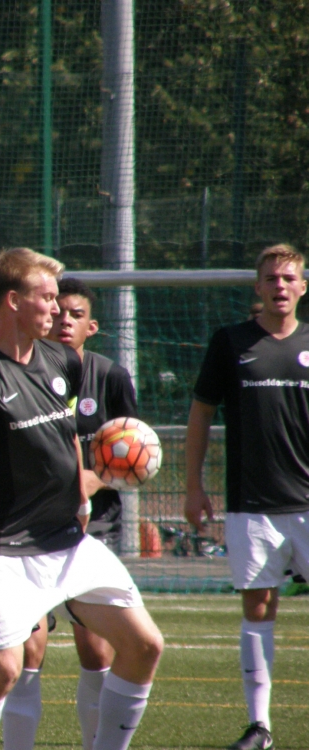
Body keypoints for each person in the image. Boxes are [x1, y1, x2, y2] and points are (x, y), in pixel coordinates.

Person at [0, 247, 162, 750]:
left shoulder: (62, 359)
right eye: (46, 298)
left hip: (67, 542)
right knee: (4, 669)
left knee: (145, 645)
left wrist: (82, 498)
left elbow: (68, 435)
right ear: (13, 301)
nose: (56, 309)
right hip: (5, 552)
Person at [185, 243, 309, 750]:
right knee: (257, 611)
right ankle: (260, 727)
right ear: (258, 286)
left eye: (289, 278)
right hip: (251, 505)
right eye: (271, 278)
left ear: (303, 286)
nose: (280, 285)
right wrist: (193, 485)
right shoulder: (230, 341)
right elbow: (201, 413)